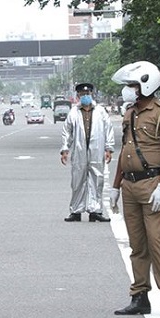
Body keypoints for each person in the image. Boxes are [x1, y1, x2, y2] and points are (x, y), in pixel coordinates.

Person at [110, 61, 160, 317]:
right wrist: (115, 186)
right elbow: (124, 151)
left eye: (132, 85)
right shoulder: (129, 113)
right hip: (129, 185)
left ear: (146, 84)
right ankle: (139, 296)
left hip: (152, 184)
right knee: (137, 245)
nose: (128, 90)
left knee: (157, 242)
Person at [60, 83, 115, 222]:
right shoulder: (73, 112)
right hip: (79, 151)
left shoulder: (101, 111)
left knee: (97, 179)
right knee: (77, 180)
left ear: (91, 94)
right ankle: (76, 211)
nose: (85, 96)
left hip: (96, 150)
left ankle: (95, 210)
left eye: (87, 94)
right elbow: (67, 132)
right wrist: (65, 149)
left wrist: (108, 148)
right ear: (78, 96)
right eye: (82, 94)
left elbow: (108, 129)